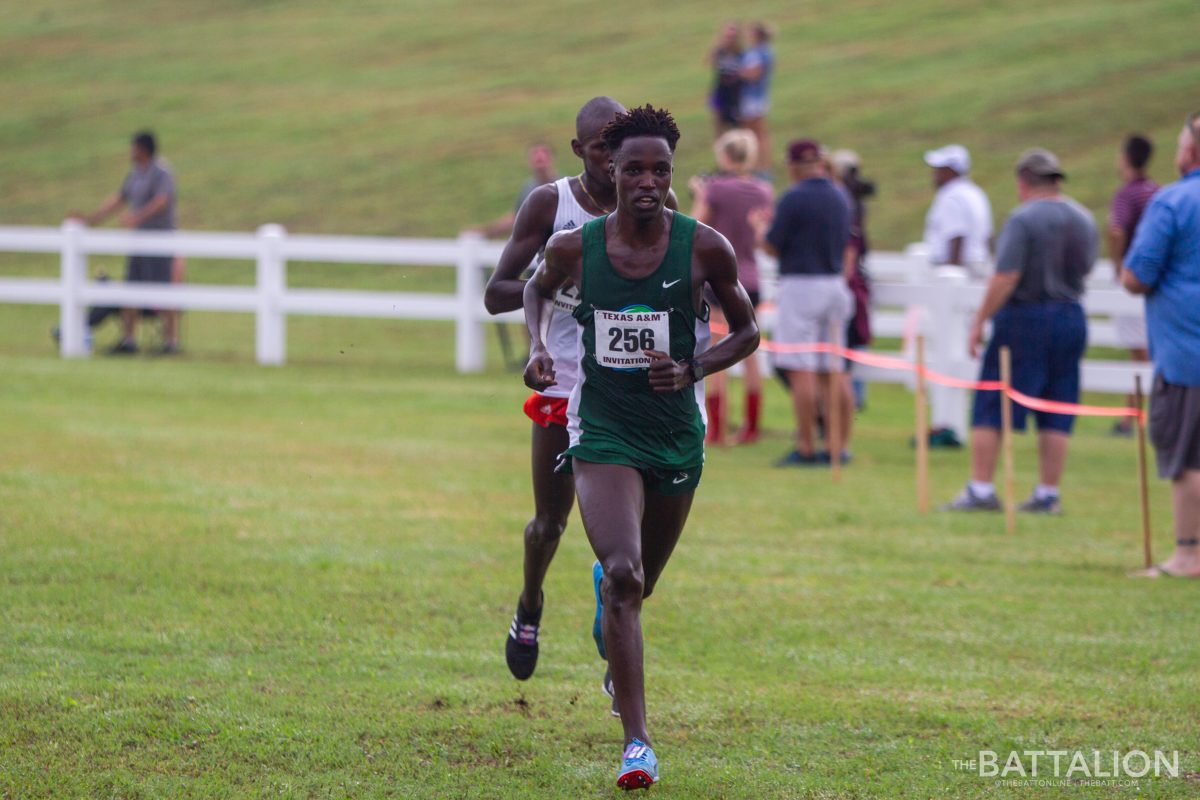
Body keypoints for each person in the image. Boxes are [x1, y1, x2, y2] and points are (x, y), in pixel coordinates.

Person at [523, 104, 758, 790]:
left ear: (671, 174)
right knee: (624, 574)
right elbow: (536, 292)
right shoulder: (576, 247)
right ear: (610, 173)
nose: (647, 181)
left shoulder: (704, 247)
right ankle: (638, 745)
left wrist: (695, 368)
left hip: (675, 434)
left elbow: (745, 332)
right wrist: (539, 349)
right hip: (602, 428)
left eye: (660, 169)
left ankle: (613, 608)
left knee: (639, 583)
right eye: (634, 169)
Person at [482, 98, 625, 683]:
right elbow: (496, 292)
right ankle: (530, 604)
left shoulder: (651, 199)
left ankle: (617, 620)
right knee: (550, 522)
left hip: (624, 381)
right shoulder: (551, 203)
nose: (616, 164)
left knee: (628, 539)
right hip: (561, 379)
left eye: (622, 150)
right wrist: (555, 279)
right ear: (577, 151)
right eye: (601, 151)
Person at [942, 148, 1098, 514]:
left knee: (993, 399)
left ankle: (981, 488)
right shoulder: (1084, 218)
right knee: (1059, 403)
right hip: (1071, 314)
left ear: (1023, 181)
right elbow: (1088, 266)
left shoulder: (1023, 219)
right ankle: (1048, 492)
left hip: (1026, 316)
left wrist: (981, 318)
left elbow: (1007, 275)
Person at [1122, 113, 1200, 578]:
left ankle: (1188, 555)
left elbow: (1136, 275)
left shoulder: (1173, 202)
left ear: (1190, 152)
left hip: (1187, 356)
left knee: (1187, 458)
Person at [753, 139, 854, 467]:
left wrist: (759, 229)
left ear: (795, 165)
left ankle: (807, 445)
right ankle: (839, 444)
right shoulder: (841, 195)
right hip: (835, 283)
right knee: (834, 369)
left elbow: (771, 246)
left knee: (801, 369)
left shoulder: (794, 197)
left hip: (801, 285)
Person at [688, 129, 773, 444]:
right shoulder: (763, 190)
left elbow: (696, 227)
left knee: (717, 350)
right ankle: (751, 425)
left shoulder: (716, 189)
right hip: (751, 277)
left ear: (724, 155)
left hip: (720, 276)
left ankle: (718, 425)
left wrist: (699, 195)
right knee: (751, 352)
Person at [69, 130, 180, 355]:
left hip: (159, 242)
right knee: (131, 287)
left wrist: (136, 217)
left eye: (133, 147)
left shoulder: (162, 172)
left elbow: (163, 201)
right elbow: (120, 199)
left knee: (165, 290)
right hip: (138, 242)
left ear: (143, 149)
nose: (131, 151)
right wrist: (92, 219)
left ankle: (171, 342)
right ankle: (129, 340)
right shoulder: (135, 174)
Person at [1108, 134, 1160, 437]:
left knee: (1140, 352)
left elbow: (1117, 231)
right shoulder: (1156, 191)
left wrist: (1118, 266)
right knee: (1142, 349)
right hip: (1154, 279)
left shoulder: (1127, 194)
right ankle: (1132, 415)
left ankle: (1137, 417)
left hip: (1134, 279)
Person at [831, 148, 876, 410]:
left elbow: (850, 252)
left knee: (844, 350)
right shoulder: (851, 204)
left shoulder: (845, 205)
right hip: (851, 285)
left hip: (845, 284)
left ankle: (849, 403)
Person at [472, 143, 558, 239]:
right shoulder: (529, 187)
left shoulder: (562, 187)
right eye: (535, 153)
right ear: (529, 161)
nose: (539, 156)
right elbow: (516, 219)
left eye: (544, 153)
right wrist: (484, 232)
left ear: (552, 159)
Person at [738, 22, 775, 174]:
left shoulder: (758, 53)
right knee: (756, 133)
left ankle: (760, 165)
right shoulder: (761, 51)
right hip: (755, 96)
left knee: (755, 133)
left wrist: (737, 72)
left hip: (752, 97)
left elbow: (754, 74)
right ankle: (758, 164)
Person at [706, 22, 743, 139]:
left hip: (735, 92)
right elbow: (709, 61)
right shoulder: (720, 52)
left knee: (736, 124)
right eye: (727, 36)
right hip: (721, 90)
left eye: (732, 37)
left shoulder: (741, 53)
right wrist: (718, 46)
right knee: (719, 122)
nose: (730, 39)